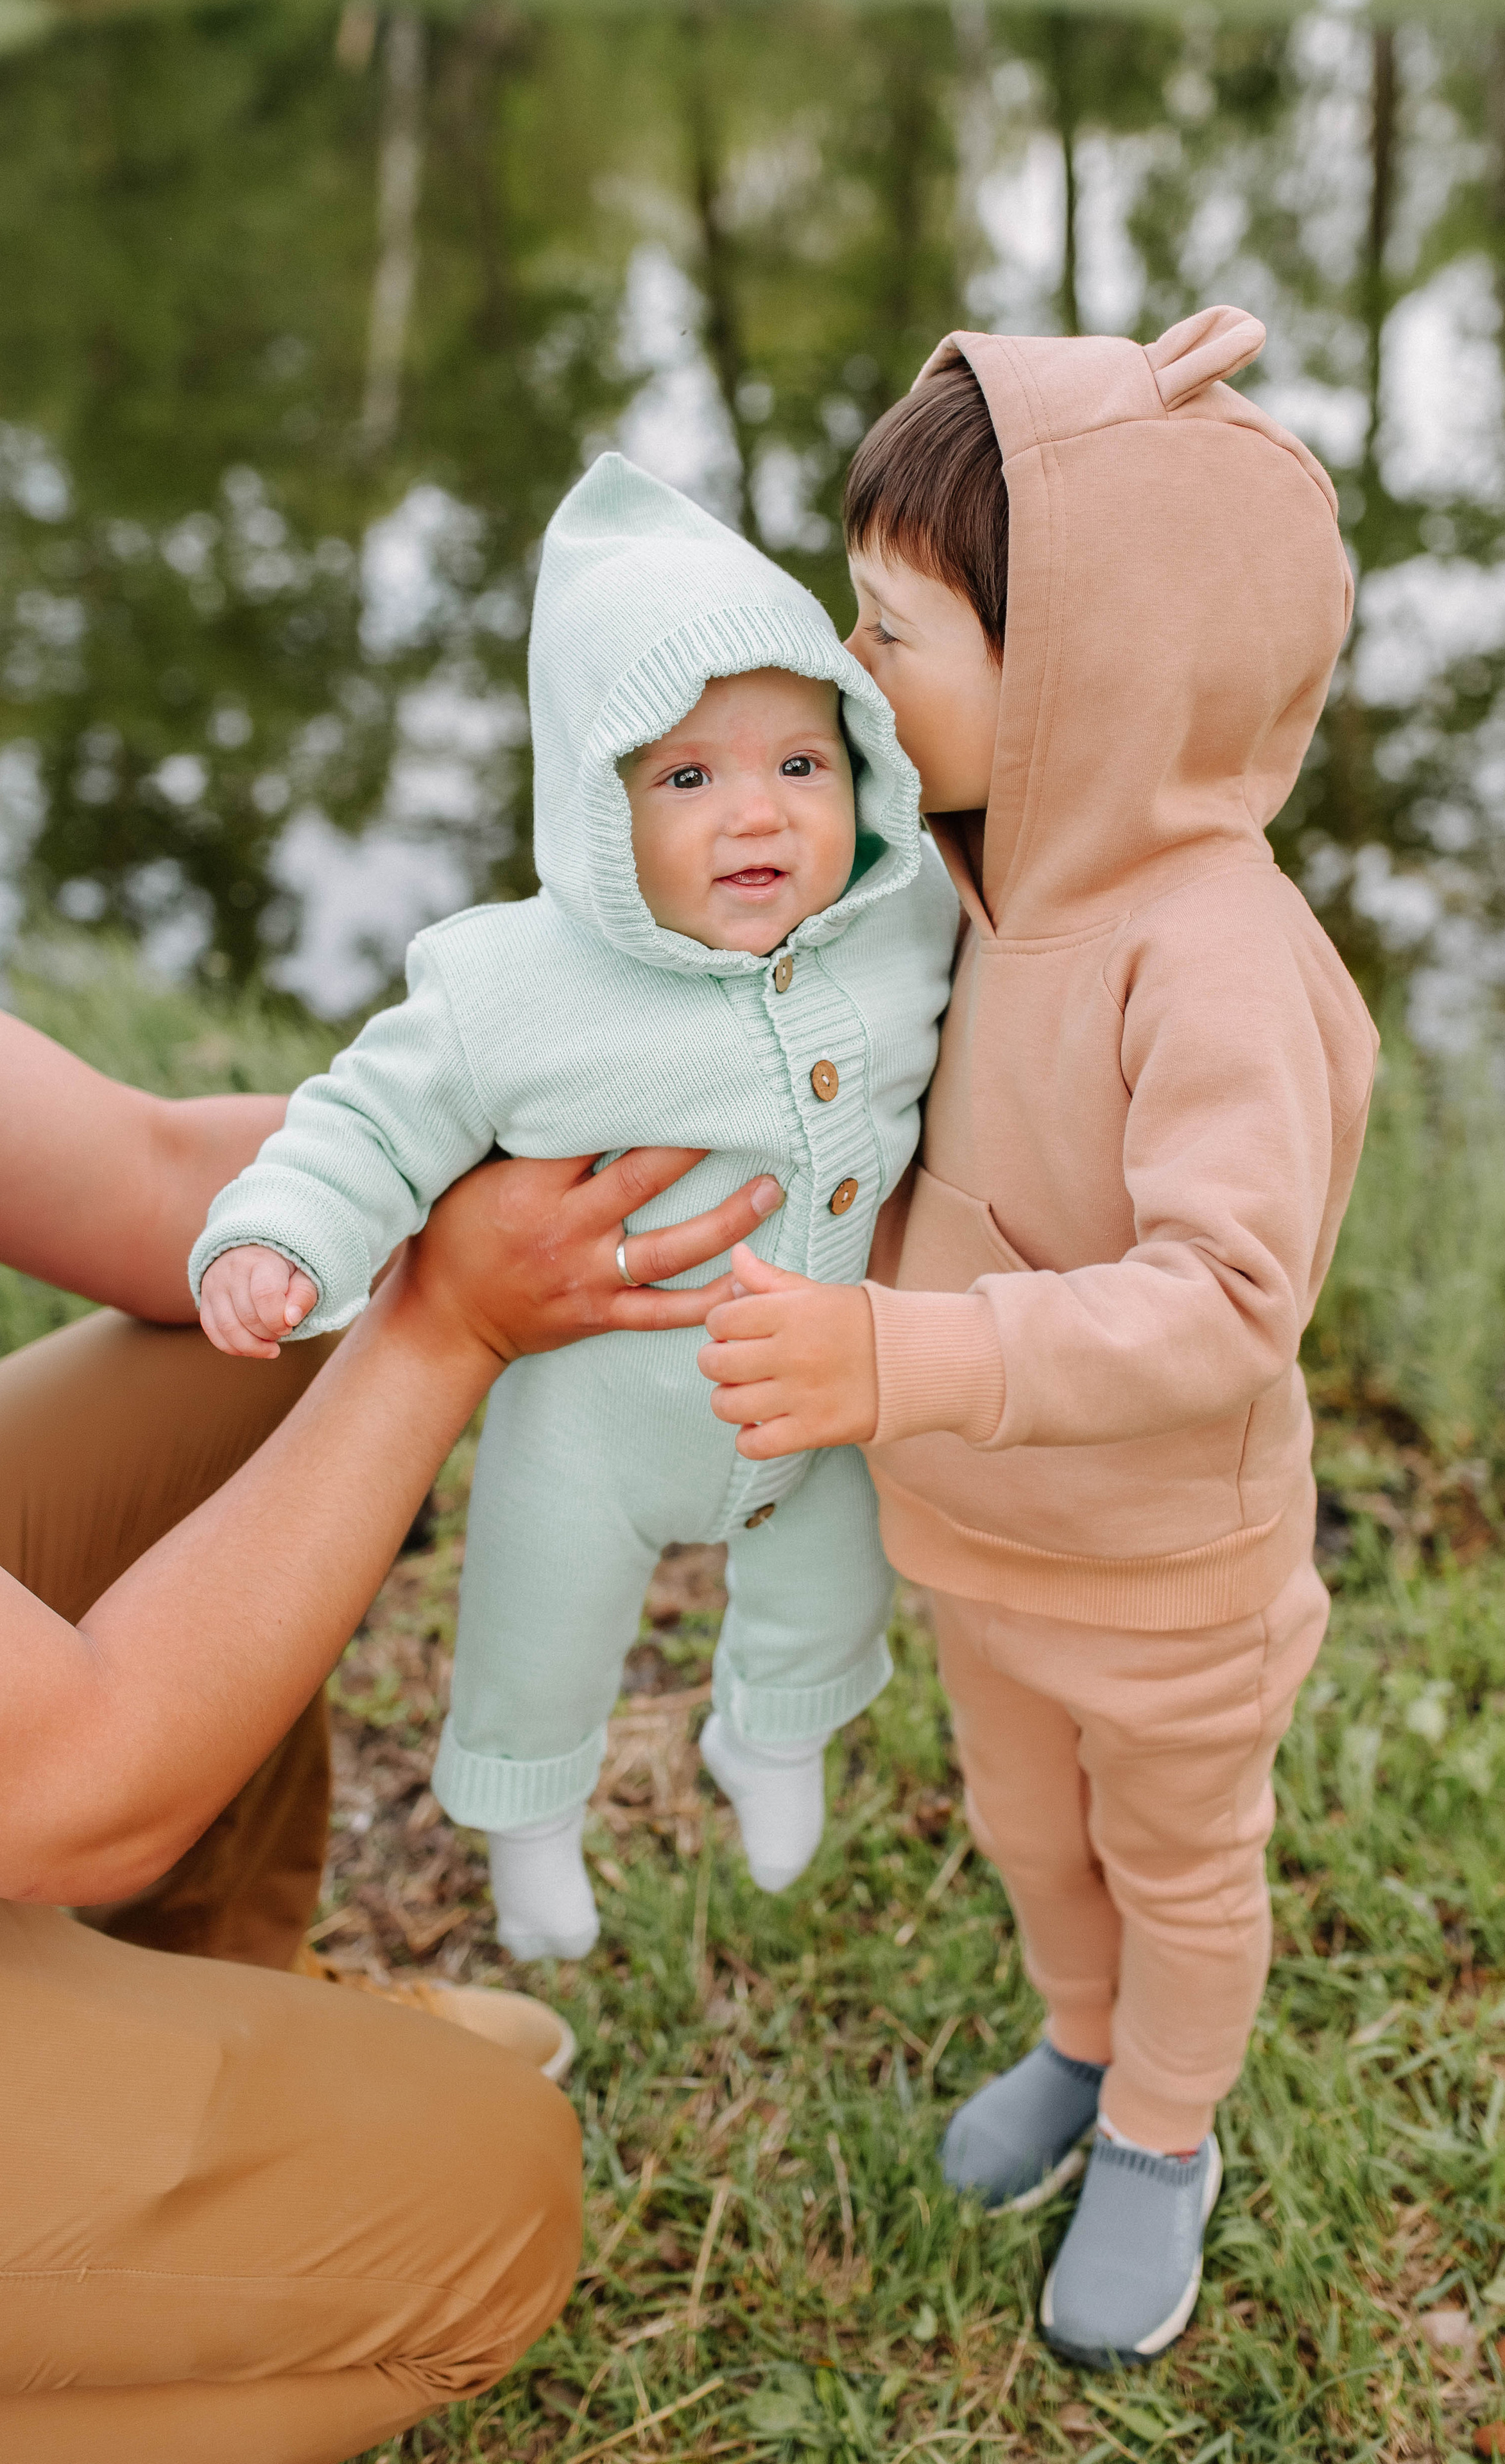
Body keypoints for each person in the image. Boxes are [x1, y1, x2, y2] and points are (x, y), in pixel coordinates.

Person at [697, 306, 1379, 2366]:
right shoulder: (964, 874)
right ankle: (1082, 2042)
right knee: (1026, 1824)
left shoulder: (1215, 957)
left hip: (1165, 1569)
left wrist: (904, 1361)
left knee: (1178, 1860)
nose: (852, 665)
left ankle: (1164, 2129)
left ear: (1083, 674)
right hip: (983, 1538)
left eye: (896, 633)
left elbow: (1228, 1300)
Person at [189, 453, 958, 1967]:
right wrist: (282, 1234)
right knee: (537, 1628)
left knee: (830, 1578)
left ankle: (771, 1735)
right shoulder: (510, 983)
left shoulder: (909, 913)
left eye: (801, 766)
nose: (756, 815)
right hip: (596, 1422)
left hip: (821, 1383)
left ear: (861, 763)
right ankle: (530, 1820)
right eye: (688, 779)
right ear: (597, 804)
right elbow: (368, 1119)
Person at [0, 1000, 782, 2463]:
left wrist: (542, 1127)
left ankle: (210, 1972)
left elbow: (154, 1172)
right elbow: (82, 1781)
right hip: (50, 1773)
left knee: (269, 1303)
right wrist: (452, 1323)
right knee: (492, 2205)